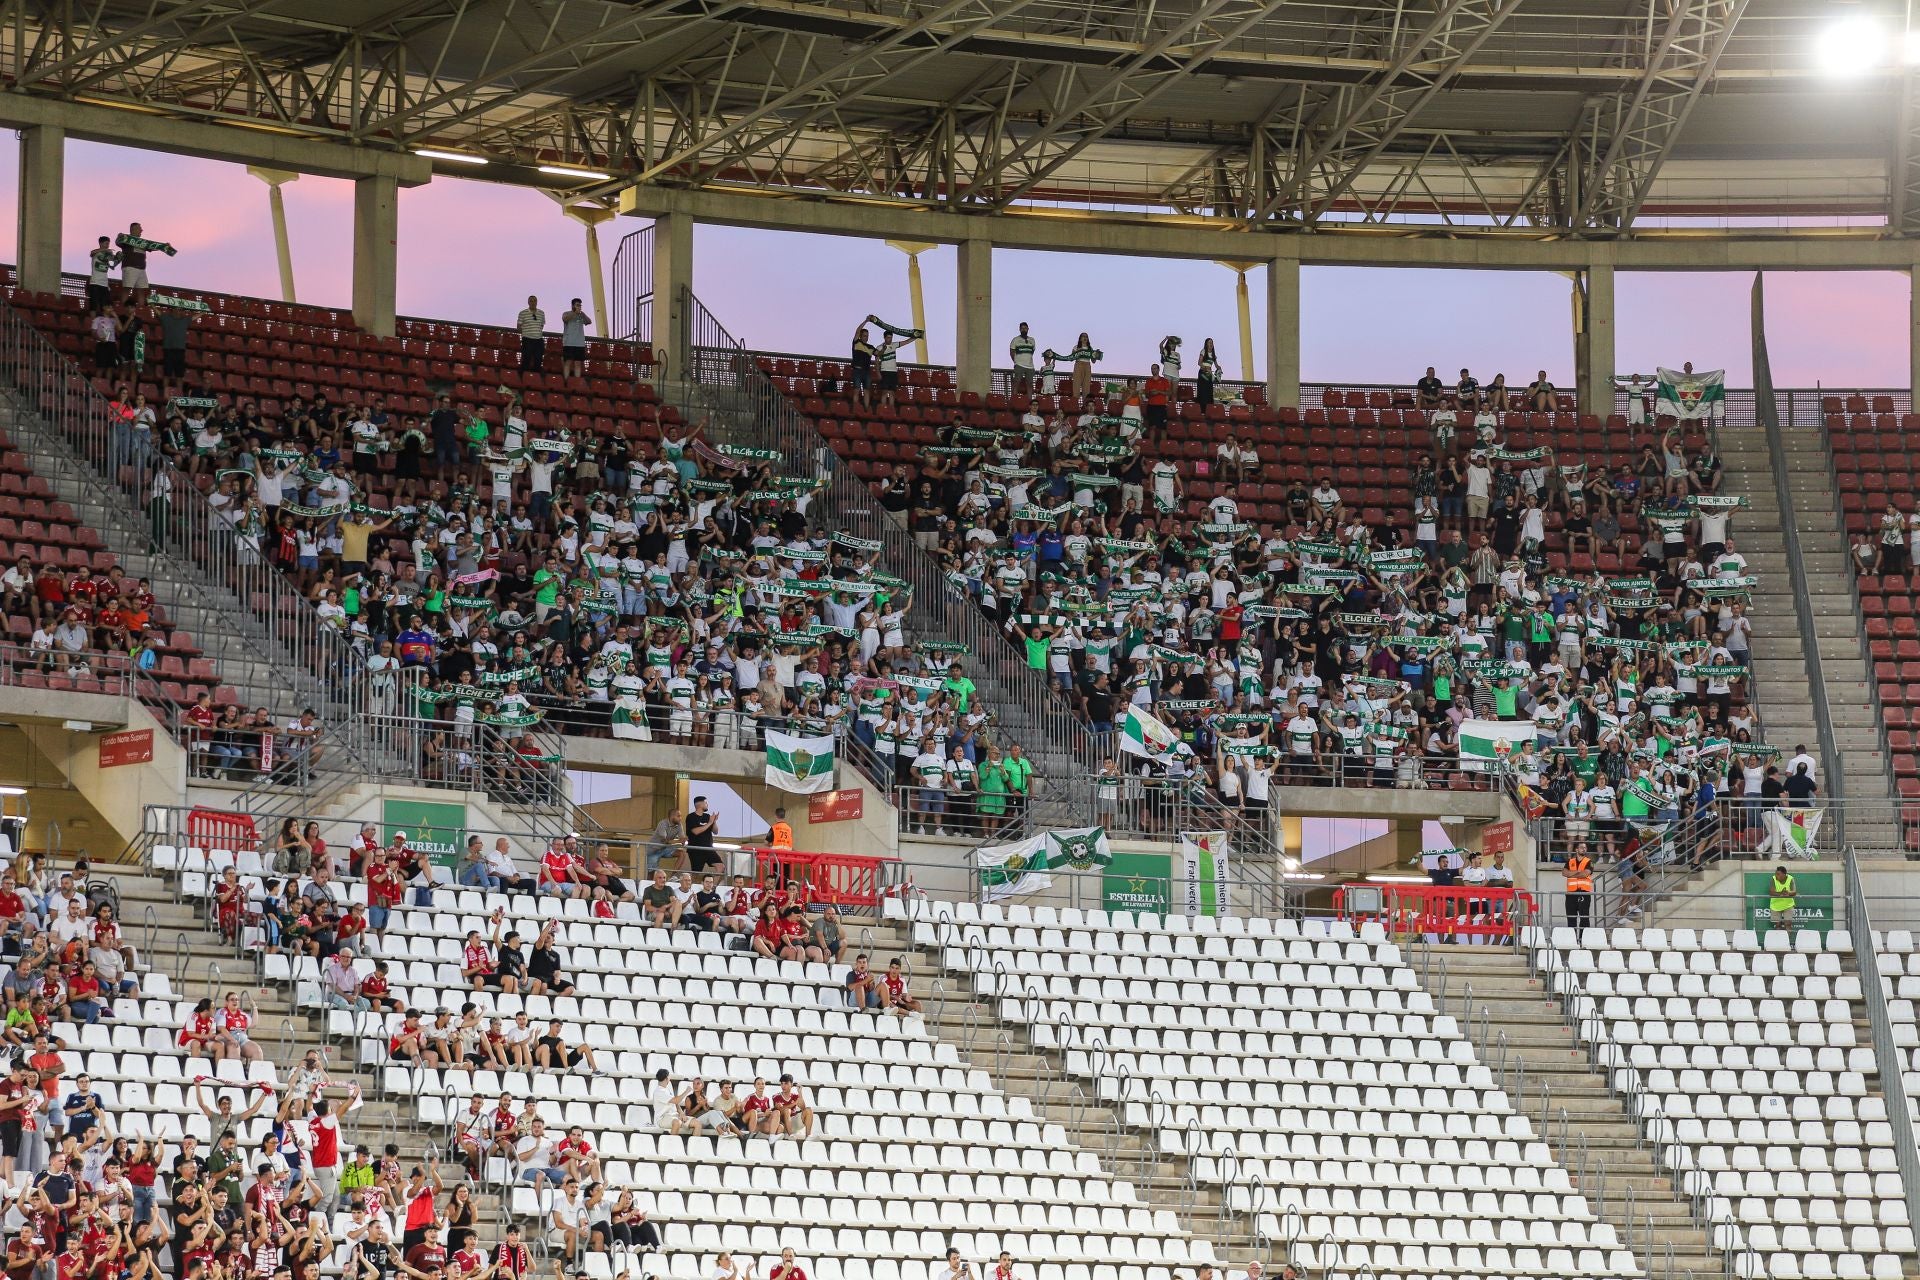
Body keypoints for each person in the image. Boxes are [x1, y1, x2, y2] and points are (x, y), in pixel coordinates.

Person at [1563, 844, 1593, 930]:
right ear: (1576, 850)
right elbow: (1564, 873)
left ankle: (1583, 940)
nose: (1584, 849)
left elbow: (1585, 873)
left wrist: (1571, 873)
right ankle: (1572, 940)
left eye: (1585, 847)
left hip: (1584, 893)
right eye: (1581, 847)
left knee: (1584, 919)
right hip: (1571, 894)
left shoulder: (1589, 861)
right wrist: (1578, 871)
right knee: (1571, 918)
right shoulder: (1570, 861)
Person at [559, 298, 591, 379]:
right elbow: (565, 319)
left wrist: (582, 314)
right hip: (569, 342)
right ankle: (566, 381)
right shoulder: (566, 313)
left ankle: (576, 382)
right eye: (577, 305)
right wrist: (574, 313)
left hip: (580, 343)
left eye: (580, 305)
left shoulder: (581, 315)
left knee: (578, 363)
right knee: (568, 362)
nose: (579, 307)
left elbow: (588, 321)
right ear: (573, 305)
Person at [516, 296, 547, 373]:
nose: (533, 302)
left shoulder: (541, 313)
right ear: (528, 302)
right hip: (527, 339)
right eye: (531, 301)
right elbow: (519, 327)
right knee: (526, 359)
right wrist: (527, 333)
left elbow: (541, 326)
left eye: (534, 301)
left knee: (538, 359)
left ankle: (535, 377)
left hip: (538, 340)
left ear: (537, 302)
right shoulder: (522, 313)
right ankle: (524, 377)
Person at [1768, 865, 1797, 936]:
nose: (1776, 875)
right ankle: (1779, 942)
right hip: (1775, 905)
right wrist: (1781, 893)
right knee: (1777, 925)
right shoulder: (1773, 879)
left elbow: (1794, 892)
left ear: (1784, 874)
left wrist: (1788, 893)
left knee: (1788, 924)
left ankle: (1787, 942)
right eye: (1776, 873)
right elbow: (1771, 892)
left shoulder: (1791, 879)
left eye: (1778, 874)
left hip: (1788, 905)